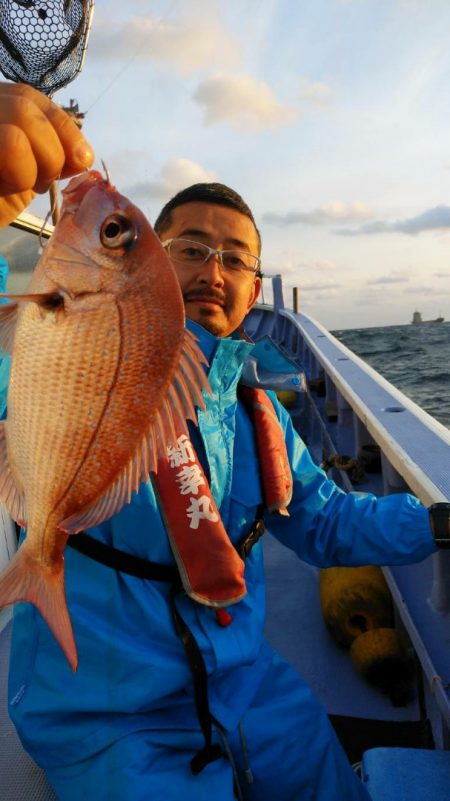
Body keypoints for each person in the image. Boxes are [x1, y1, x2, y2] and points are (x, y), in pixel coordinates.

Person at [0, 82, 447, 801]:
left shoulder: (254, 406)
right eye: (190, 249)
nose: (213, 271)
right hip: (112, 723)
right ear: (155, 263)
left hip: (250, 687)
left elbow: (327, 520)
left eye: (235, 258)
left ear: (254, 288)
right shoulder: (55, 350)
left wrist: (435, 523)